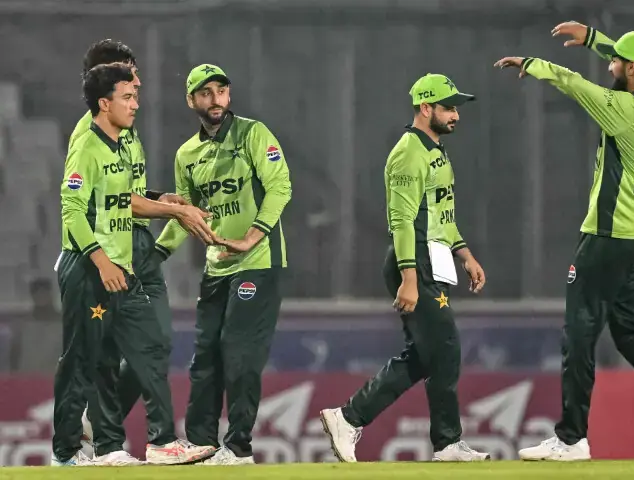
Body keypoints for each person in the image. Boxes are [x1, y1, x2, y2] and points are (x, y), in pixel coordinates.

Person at [495, 21, 634, 462]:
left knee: (578, 334)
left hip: (608, 237)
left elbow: (575, 83)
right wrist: (596, 39)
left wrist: (532, 64)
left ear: (631, 67)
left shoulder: (620, 109)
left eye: (617, 60)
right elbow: (625, 67)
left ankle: (570, 438)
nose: (611, 64)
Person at [52, 63, 217, 467]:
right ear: (104, 103)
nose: (136, 103)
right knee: (86, 360)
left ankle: (154, 442)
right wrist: (100, 259)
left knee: (145, 346)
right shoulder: (86, 147)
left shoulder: (127, 142)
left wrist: (166, 201)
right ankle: (67, 452)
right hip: (90, 265)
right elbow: (72, 210)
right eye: (128, 96)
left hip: (123, 263)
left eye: (136, 96)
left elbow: (127, 197)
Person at [320, 73, 489, 463]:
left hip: (431, 257)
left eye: (456, 107)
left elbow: (440, 214)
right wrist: (409, 277)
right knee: (443, 348)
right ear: (425, 108)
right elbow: (401, 219)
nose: (456, 115)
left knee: (431, 352)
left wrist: (465, 254)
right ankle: (360, 420)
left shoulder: (435, 149)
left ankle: (354, 419)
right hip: (413, 260)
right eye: (449, 107)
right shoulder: (408, 152)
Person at [155, 64, 292, 465]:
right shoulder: (187, 154)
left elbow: (281, 185)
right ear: (191, 100)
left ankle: (238, 448)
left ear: (229, 96)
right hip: (216, 267)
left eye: (221, 90)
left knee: (239, 351)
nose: (215, 99)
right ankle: (200, 446)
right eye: (205, 92)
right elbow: (188, 215)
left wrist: (252, 235)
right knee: (205, 357)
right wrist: (156, 255)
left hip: (258, 262)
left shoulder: (254, 134)